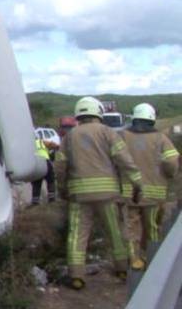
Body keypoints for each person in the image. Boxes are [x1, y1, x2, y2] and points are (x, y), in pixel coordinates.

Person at [55, 96, 142, 289]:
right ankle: (121, 269)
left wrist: (62, 189)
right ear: (98, 112)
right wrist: (137, 183)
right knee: (115, 232)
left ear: (79, 114)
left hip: (79, 195)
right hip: (107, 193)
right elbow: (124, 160)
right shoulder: (108, 133)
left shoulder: (69, 137)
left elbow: (60, 166)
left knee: (77, 234)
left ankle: (77, 275)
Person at [119, 103, 179, 270]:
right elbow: (172, 162)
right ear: (152, 119)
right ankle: (149, 259)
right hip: (154, 193)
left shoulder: (122, 136)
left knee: (130, 228)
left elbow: (113, 160)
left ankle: (132, 260)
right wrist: (168, 175)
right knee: (151, 227)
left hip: (129, 193)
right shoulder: (161, 139)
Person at [31, 135, 56, 205]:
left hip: (37, 164)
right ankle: (52, 199)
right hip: (46, 162)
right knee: (50, 180)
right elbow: (53, 145)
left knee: (36, 183)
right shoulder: (42, 142)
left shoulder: (30, 144)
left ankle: (35, 202)